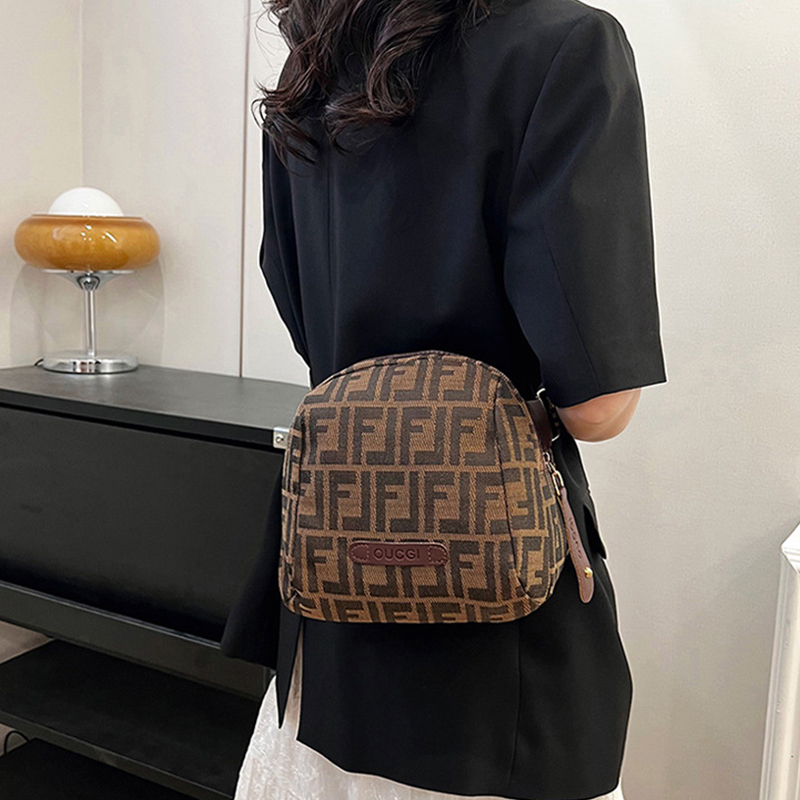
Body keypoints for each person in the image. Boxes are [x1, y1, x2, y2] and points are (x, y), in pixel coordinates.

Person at [221, 0, 668, 797]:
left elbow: (307, 326)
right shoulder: (564, 47)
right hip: (491, 638)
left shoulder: (309, 71)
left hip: (329, 613)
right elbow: (597, 406)